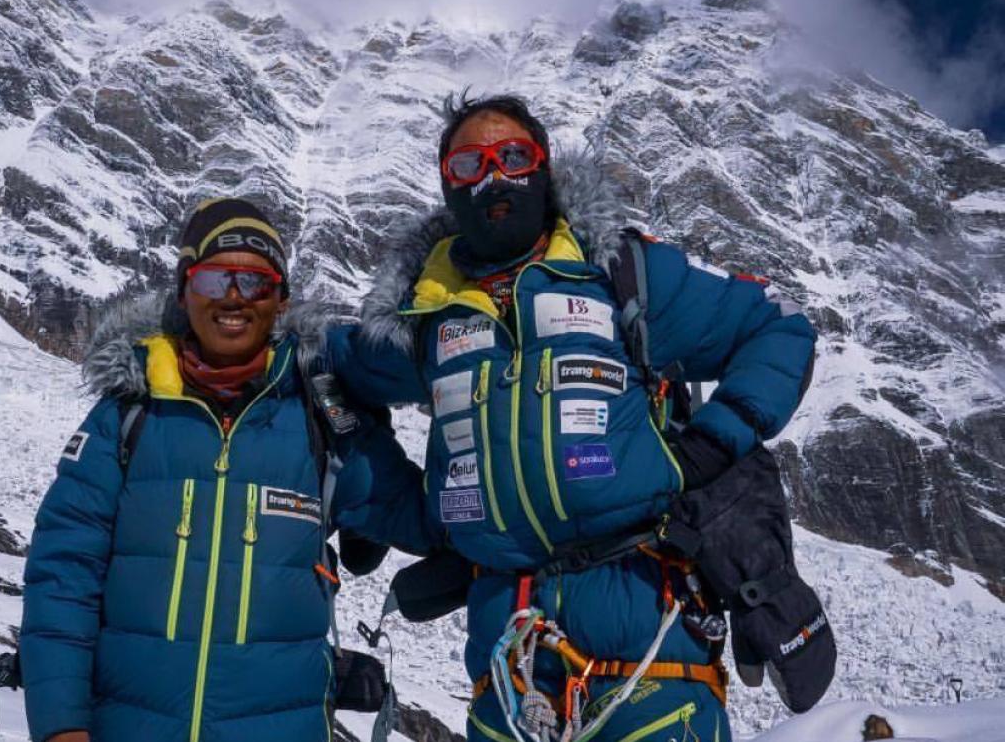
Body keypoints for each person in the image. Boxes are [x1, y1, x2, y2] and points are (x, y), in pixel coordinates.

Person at [325, 95, 818, 741]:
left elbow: (774, 327)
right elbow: (335, 369)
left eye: (513, 157)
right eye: (470, 163)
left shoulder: (618, 272)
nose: (493, 177)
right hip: (506, 646)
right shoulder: (423, 317)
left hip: (649, 623)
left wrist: (712, 442)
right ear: (447, 182)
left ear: (544, 167)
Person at [19, 198, 434, 742]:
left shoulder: (319, 418)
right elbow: (63, 575)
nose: (234, 299)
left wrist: (461, 401)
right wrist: (61, 727)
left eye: (255, 282)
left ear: (281, 300)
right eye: (215, 280)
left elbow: (429, 521)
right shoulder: (127, 415)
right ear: (184, 291)